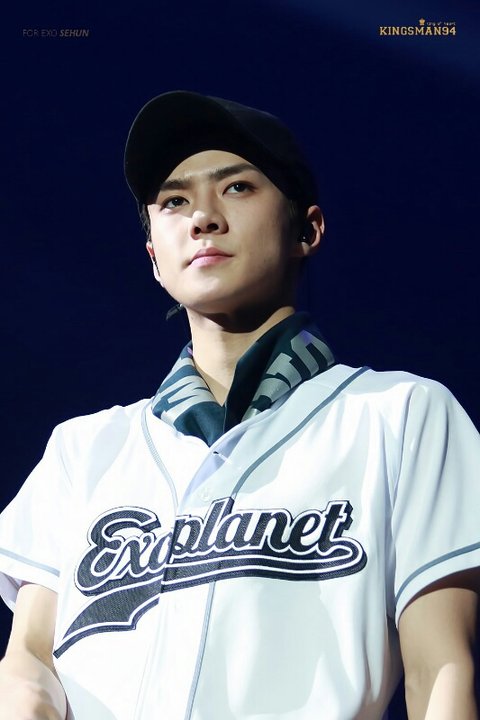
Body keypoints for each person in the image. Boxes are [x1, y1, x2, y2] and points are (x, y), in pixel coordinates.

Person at [0, 90, 479, 720]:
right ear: (154, 258)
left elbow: (439, 669)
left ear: (307, 229)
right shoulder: (84, 449)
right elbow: (30, 660)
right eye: (174, 202)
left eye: (237, 188)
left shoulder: (400, 414)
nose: (202, 217)